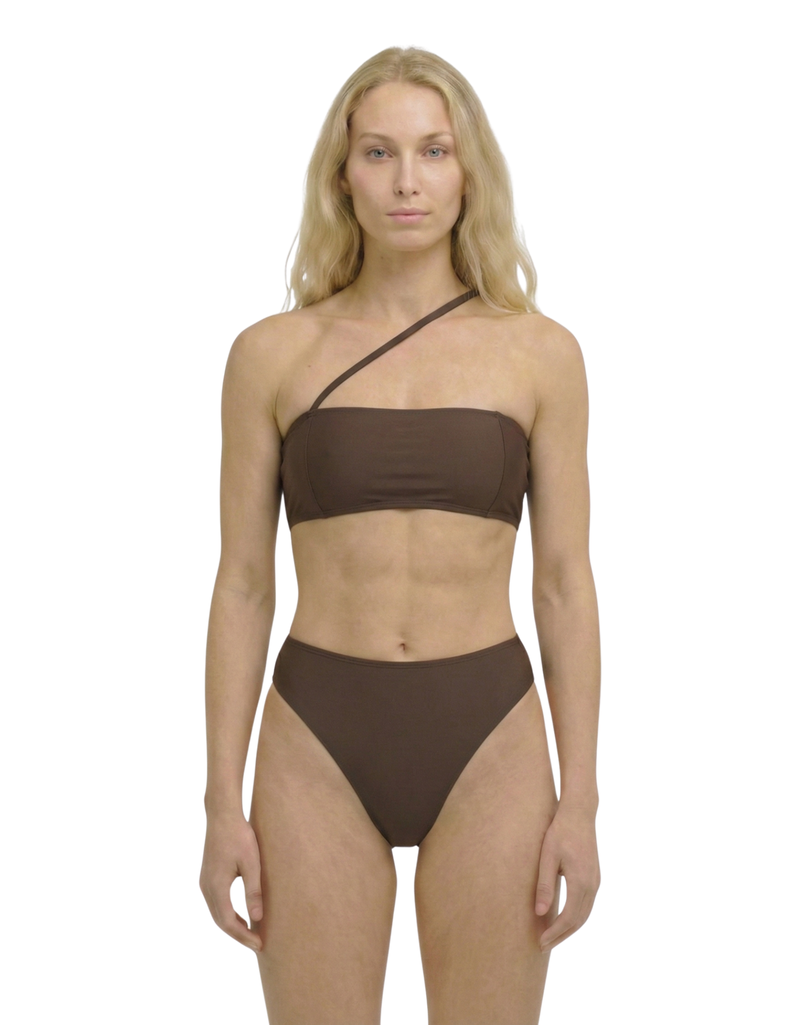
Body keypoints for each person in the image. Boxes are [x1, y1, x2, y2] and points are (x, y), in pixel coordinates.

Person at [199, 45, 601, 1024]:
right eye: (378, 152)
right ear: (342, 174)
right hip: (316, 734)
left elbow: (562, 582)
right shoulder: (270, 356)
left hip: (490, 731)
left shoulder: (539, 354)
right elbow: (243, 583)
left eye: (433, 150)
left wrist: (581, 800)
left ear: (469, 172)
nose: (407, 180)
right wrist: (219, 803)